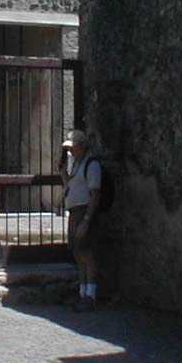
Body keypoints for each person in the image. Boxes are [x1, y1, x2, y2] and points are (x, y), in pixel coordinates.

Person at [59, 130, 101, 312]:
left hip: (83, 212)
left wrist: (86, 220)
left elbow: (95, 194)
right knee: (78, 253)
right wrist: (62, 174)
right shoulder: (77, 164)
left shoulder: (91, 165)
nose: (70, 152)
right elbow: (72, 186)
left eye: (72, 148)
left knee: (87, 253)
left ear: (81, 146)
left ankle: (90, 295)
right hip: (75, 212)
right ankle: (82, 293)